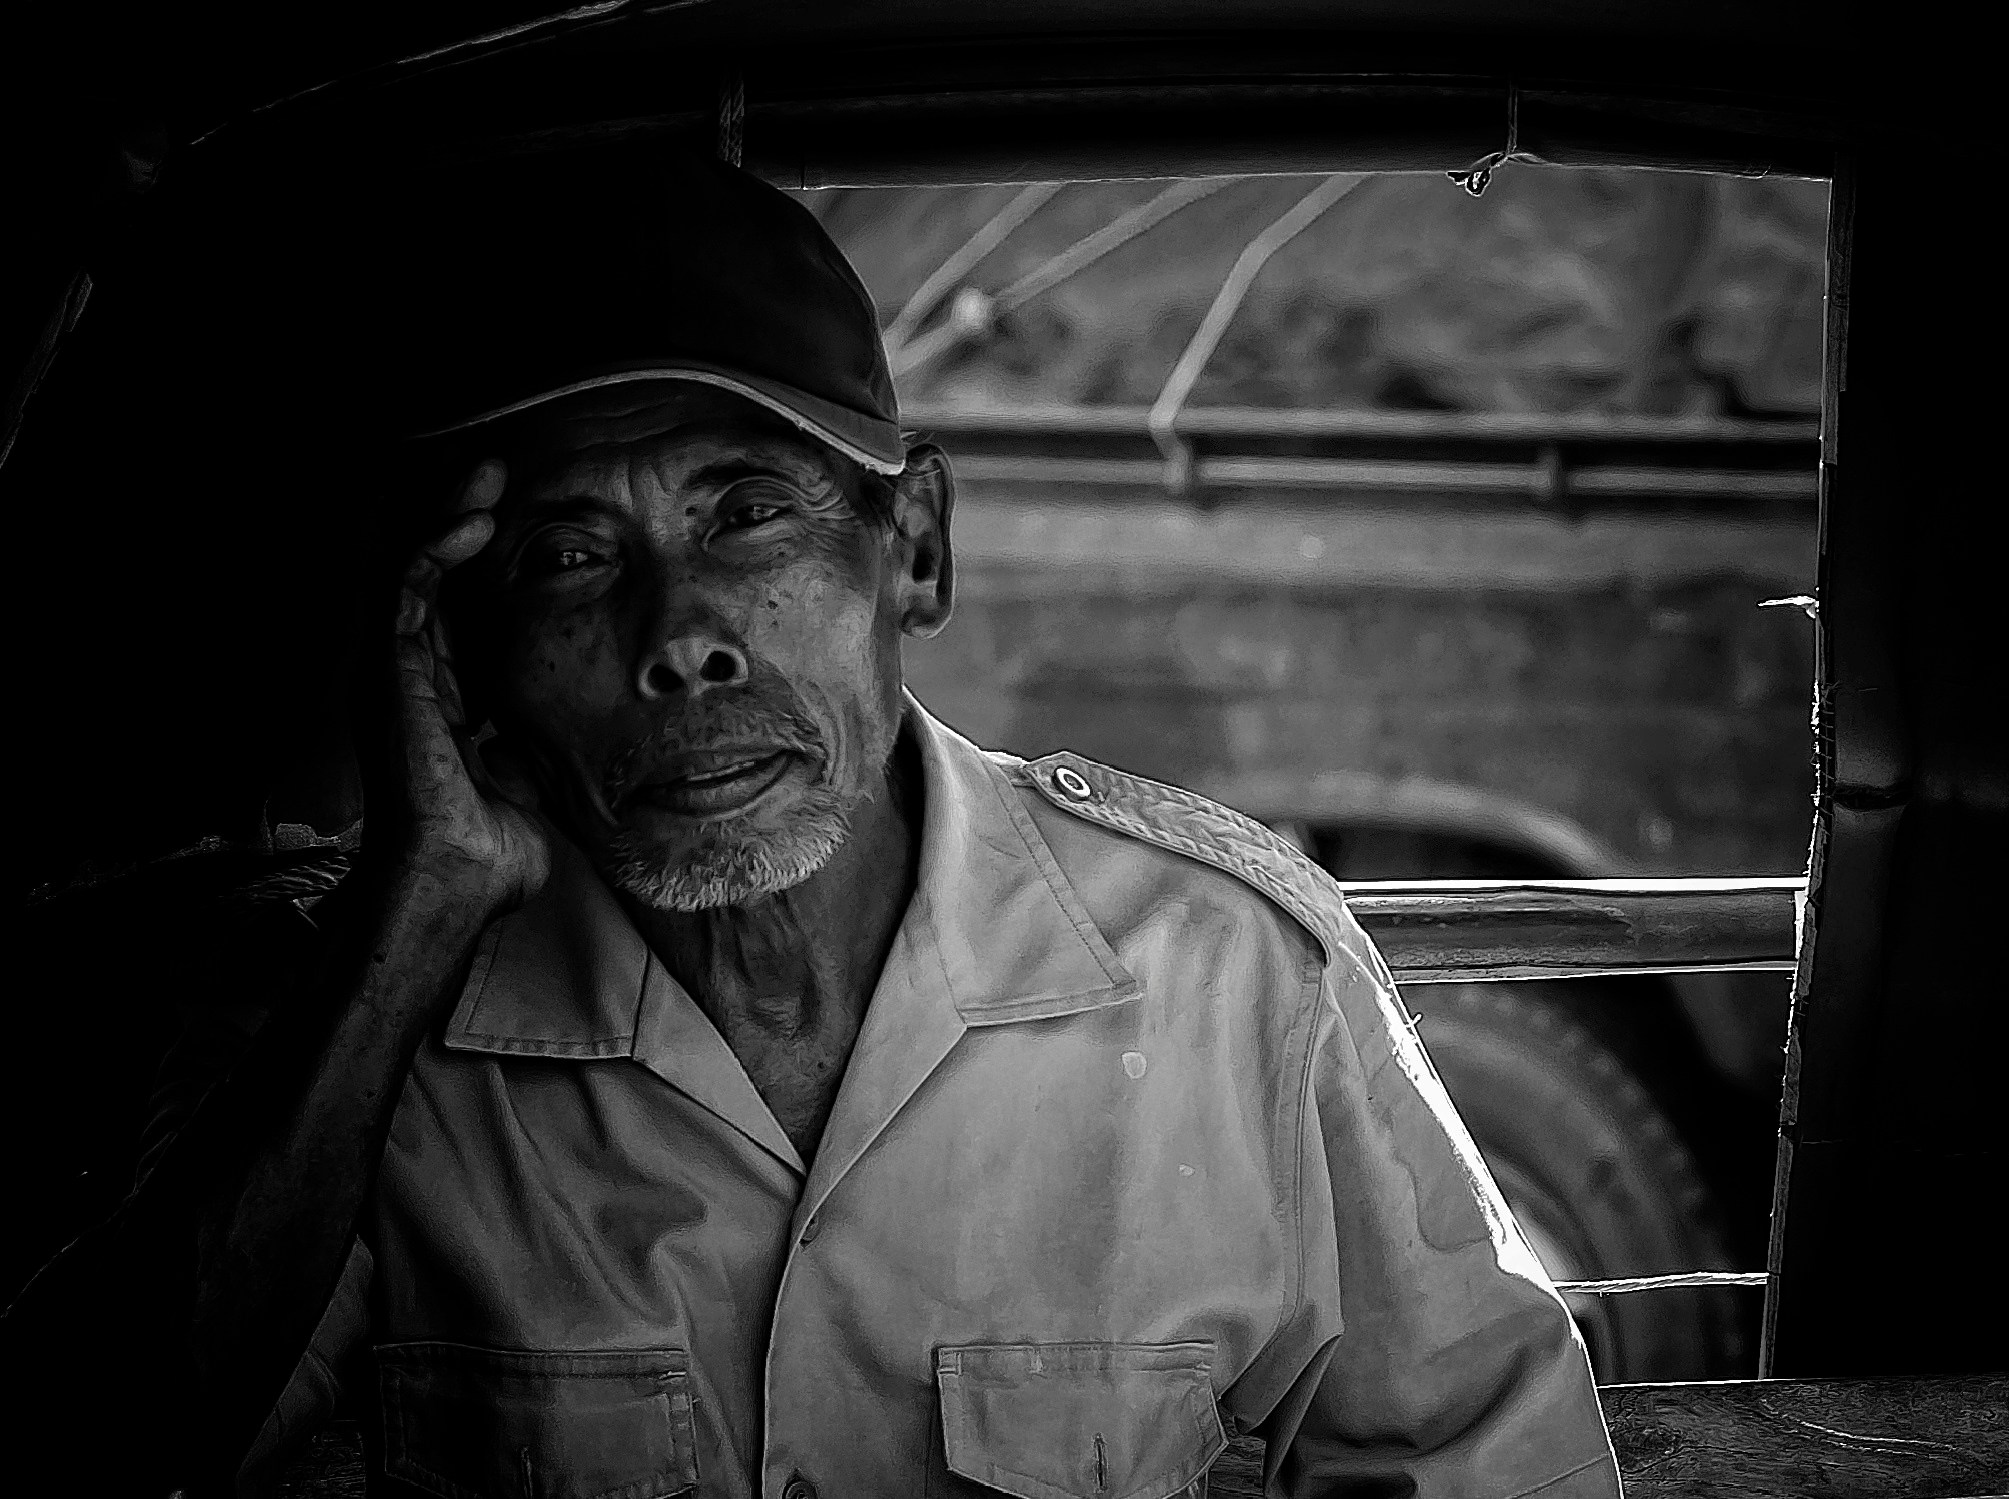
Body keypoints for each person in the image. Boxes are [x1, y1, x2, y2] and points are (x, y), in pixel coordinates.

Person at [3, 153, 1618, 1498]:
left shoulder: (1228, 975)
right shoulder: (341, 1015)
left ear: (910, 547)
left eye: (746, 513)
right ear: (459, 637)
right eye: (570, 554)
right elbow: (92, 1457)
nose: (679, 634)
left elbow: (1484, 1461)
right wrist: (409, 912)